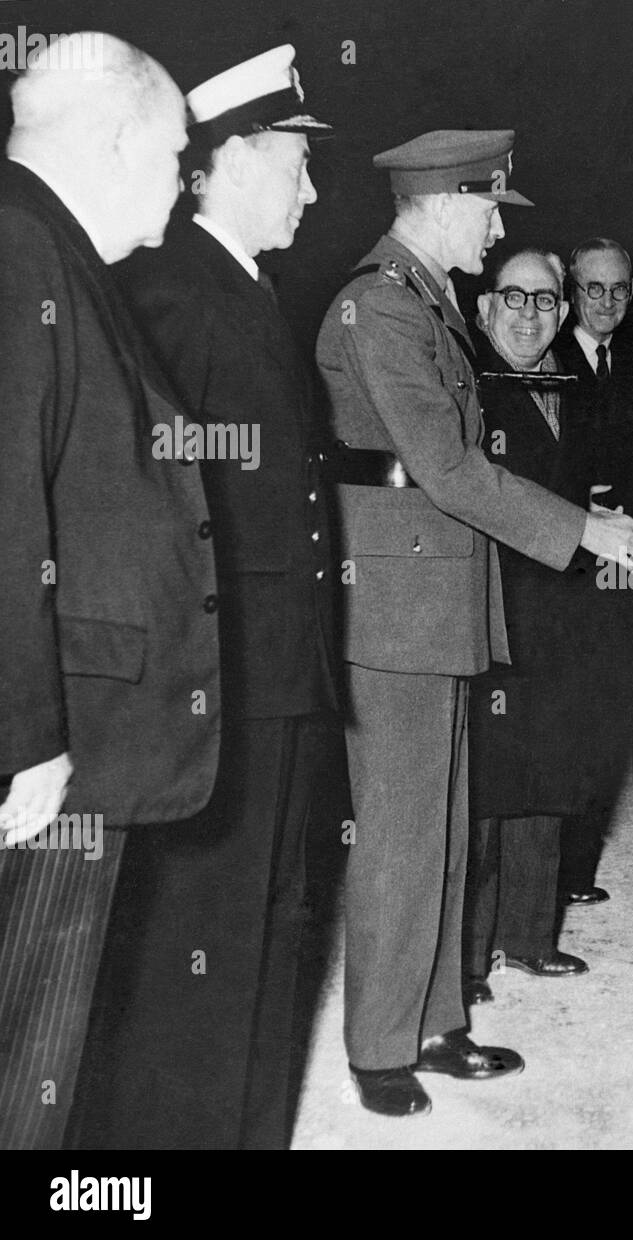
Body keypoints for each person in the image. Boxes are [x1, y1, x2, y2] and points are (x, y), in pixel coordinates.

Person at [315, 131, 633, 1118]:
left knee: (441, 825)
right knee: (396, 831)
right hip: (394, 599)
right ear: (437, 203)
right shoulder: (379, 305)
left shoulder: (422, 300)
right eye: (489, 209)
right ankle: (380, 1043)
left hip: (438, 591)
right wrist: (580, 527)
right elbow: (448, 466)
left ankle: (432, 1021)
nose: (497, 227)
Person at [72, 46, 339, 1150]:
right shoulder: (177, 293)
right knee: (203, 950)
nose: (314, 190)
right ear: (227, 162)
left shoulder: (244, 290)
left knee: (268, 930)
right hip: (216, 691)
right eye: (296, 164)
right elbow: (148, 509)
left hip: (275, 675)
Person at [0, 33, 220, 1149]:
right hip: (52, 756)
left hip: (75, 732)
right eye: (177, 151)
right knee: (26, 1053)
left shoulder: (53, 254)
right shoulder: (21, 249)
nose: (184, 181)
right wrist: (27, 737)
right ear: (122, 135)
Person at [463, 247, 620, 1003]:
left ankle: (528, 936)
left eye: (545, 301)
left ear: (563, 312)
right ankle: (467, 958)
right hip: (488, 604)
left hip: (561, 610)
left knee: (551, 769)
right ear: (485, 307)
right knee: (487, 784)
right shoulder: (466, 385)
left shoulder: (574, 385)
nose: (529, 315)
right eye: (514, 299)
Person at [551, 237, 633, 905]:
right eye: (593, 289)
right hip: (560, 562)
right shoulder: (545, 352)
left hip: (620, 569)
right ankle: (555, 869)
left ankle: (579, 870)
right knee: (565, 717)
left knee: (604, 715)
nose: (607, 302)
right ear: (572, 291)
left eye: (619, 290)